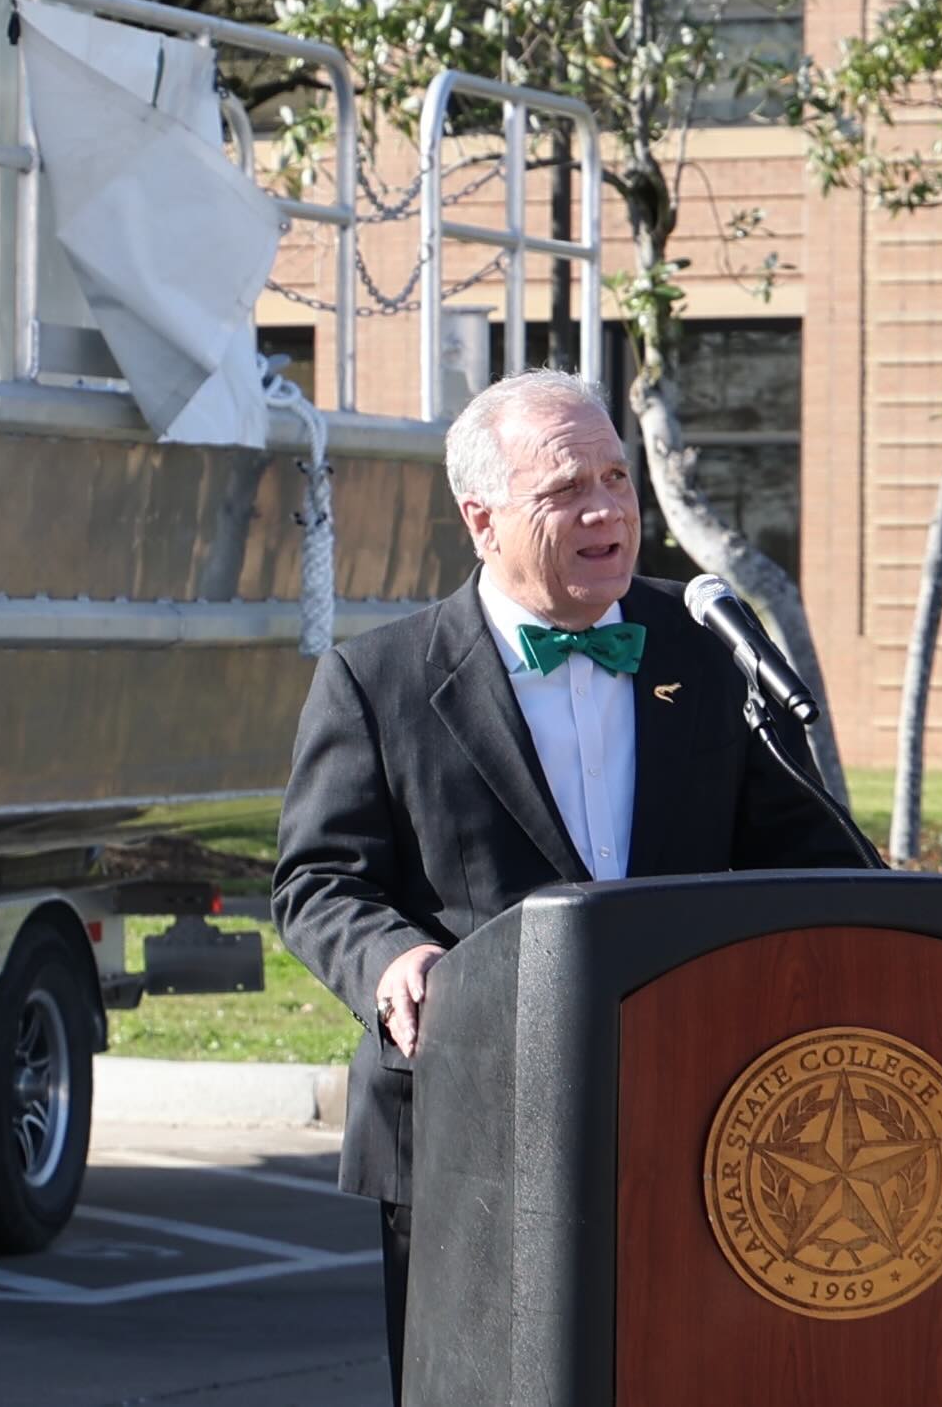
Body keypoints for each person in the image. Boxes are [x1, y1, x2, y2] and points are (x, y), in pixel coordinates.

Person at [269, 366, 875, 1394]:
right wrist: (393, 958)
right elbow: (318, 879)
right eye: (563, 490)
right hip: (470, 1121)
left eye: (616, 478)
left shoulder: (708, 646)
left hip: (692, 1111)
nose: (605, 510)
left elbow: (807, 854)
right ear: (482, 518)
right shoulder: (382, 679)